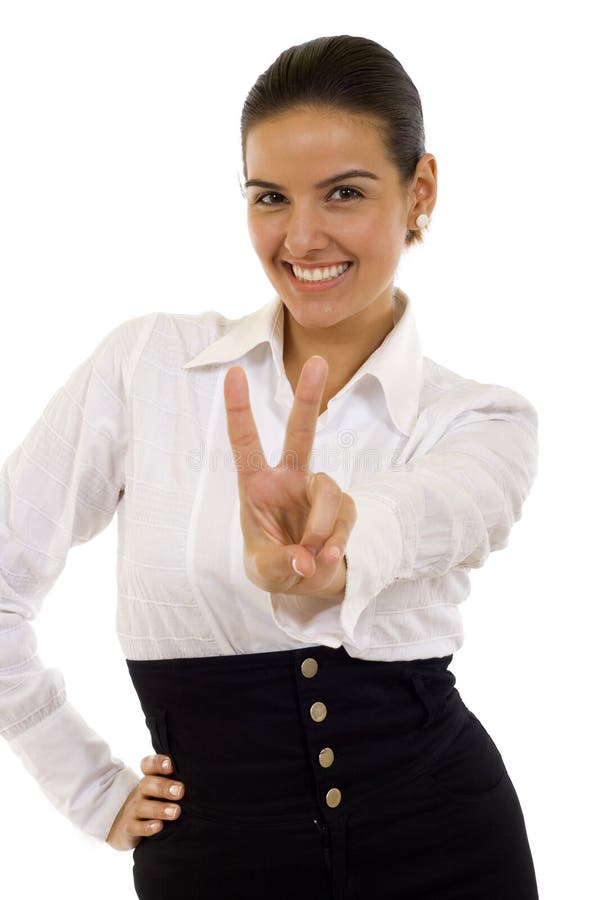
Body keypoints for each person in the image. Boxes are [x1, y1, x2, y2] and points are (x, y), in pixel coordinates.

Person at [0, 33, 540, 900]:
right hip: (212, 866)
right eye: (269, 196)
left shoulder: (481, 418)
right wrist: (89, 786)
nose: (300, 235)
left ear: (420, 191)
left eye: (345, 193)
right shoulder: (150, 368)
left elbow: (441, 506)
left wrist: (344, 533)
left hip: (447, 845)